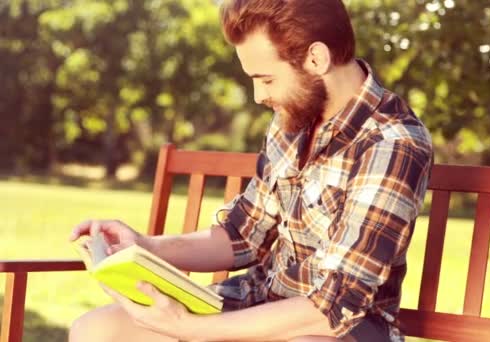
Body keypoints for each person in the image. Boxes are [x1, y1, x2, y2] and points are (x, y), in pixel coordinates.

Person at [68, 0, 433, 341]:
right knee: (97, 329)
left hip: (338, 329)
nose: (259, 96)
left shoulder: (392, 142)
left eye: (267, 79)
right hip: (257, 301)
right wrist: (145, 246)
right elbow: (242, 235)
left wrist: (190, 329)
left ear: (316, 59)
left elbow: (334, 305)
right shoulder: (292, 118)